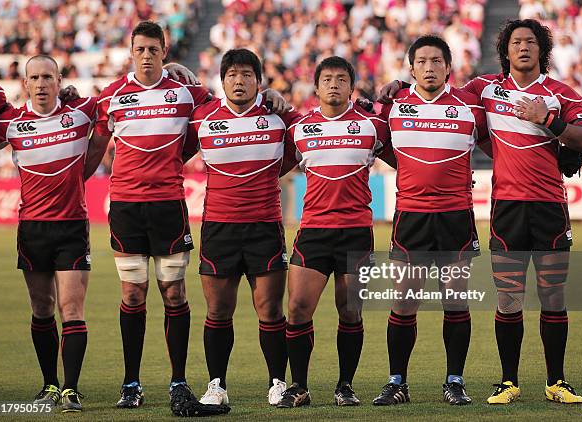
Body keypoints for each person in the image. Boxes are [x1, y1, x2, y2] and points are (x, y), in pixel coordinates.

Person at [378, 19, 582, 404]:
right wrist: (395, 87)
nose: (523, 47)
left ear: (542, 49)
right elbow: (436, 95)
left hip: (551, 207)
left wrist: (547, 119)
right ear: (505, 51)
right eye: (516, 42)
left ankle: (557, 382)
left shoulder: (561, 94)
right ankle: (508, 382)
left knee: (553, 296)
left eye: (530, 41)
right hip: (507, 207)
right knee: (508, 299)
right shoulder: (483, 90)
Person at [83, 21, 230, 417]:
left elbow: (222, 111)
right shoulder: (112, 96)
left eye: (153, 49)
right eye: (140, 49)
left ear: (164, 52)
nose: (146, 55)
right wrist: (75, 181)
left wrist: (195, 77)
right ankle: (131, 383)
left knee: (174, 293)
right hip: (127, 210)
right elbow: (96, 147)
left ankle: (178, 381)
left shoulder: (185, 93)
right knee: (132, 295)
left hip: (168, 207)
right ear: (131, 52)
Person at [369, 35, 488, 407]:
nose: (430, 68)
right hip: (411, 217)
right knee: (404, 301)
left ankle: (454, 380)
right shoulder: (393, 105)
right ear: (411, 68)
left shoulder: (470, 105)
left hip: (455, 216)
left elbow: (497, 140)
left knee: (455, 301)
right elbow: (378, 144)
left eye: (437, 61)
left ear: (449, 67)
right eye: (422, 62)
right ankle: (397, 381)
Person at [276, 56, 395, 408]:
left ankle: (345, 385)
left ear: (351, 87)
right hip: (313, 231)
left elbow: (406, 158)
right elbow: (273, 167)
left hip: (356, 233)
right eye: (327, 79)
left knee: (350, 312)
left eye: (341, 79)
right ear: (316, 88)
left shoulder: (372, 126)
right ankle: (299, 386)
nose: (333, 84)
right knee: (297, 309)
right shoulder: (299, 129)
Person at [183, 48, 300, 407]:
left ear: (258, 82)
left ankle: (277, 383)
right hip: (219, 228)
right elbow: (176, 149)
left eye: (247, 74)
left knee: (270, 309)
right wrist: (173, 66)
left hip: (264, 227)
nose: (239, 80)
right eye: (232, 74)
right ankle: (216, 385)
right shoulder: (203, 117)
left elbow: (301, 148)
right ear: (222, 81)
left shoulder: (281, 118)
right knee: (218, 310)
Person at [0, 55, 97, 412]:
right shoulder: (13, 122)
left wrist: (175, 70)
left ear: (58, 79)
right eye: (34, 77)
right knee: (42, 308)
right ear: (25, 84)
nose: (41, 83)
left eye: (48, 77)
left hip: (72, 228)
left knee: (72, 308)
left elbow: (118, 100)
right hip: (32, 229)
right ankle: (49, 383)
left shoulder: (81, 112)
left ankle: (71, 388)